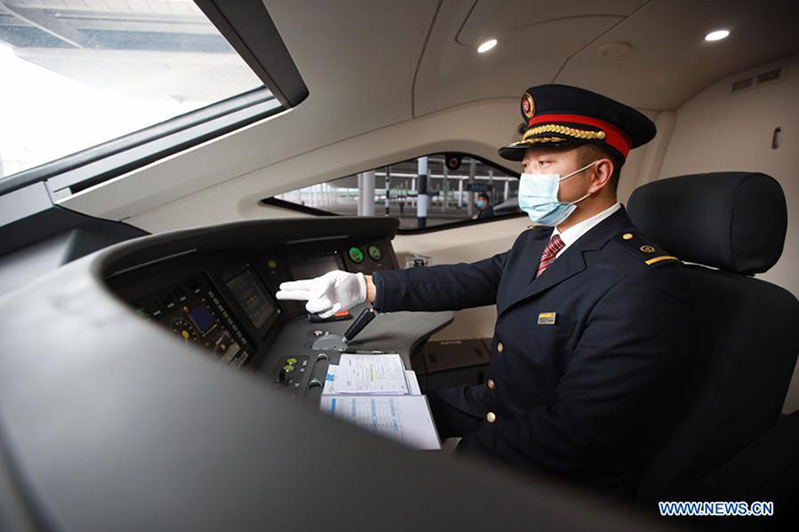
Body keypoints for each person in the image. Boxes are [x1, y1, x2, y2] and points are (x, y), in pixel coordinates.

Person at [276, 84, 691, 497]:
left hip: (556, 471)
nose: (529, 177)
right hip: (496, 410)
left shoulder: (642, 282)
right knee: (353, 424)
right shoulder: (538, 242)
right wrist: (365, 286)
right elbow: (469, 278)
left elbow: (579, 434)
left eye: (544, 162)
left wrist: (459, 456)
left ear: (598, 174)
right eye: (526, 166)